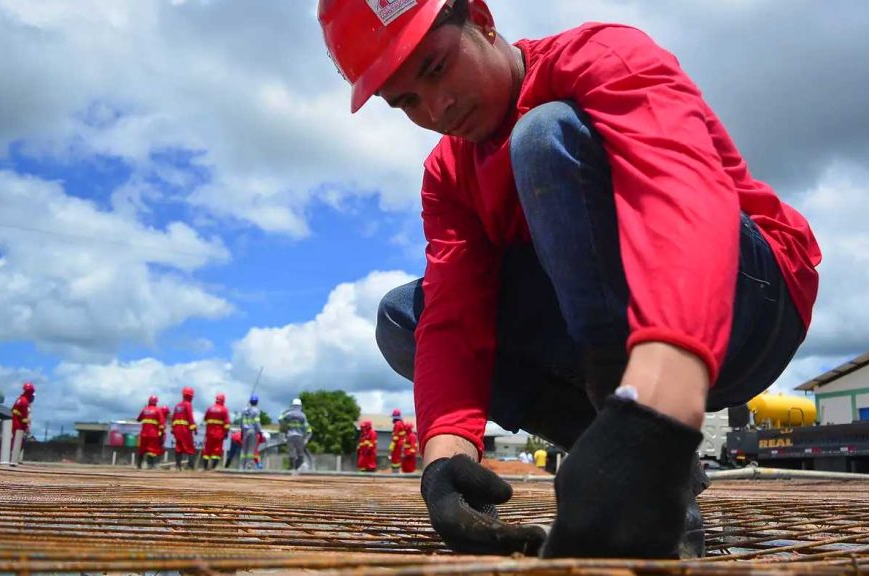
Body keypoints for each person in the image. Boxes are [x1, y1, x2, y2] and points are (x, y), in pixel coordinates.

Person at [320, 0, 821, 559]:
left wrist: (659, 403)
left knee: (543, 136)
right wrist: (445, 458)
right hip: (612, 340)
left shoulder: (598, 56)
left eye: (436, 68)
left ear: (482, 19)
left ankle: (647, 434)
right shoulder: (447, 174)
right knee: (403, 318)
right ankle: (619, 453)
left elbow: (679, 190)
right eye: (407, 101)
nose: (437, 107)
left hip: (750, 301)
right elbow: (453, 319)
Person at [279, 398, 313, 473]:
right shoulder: (302, 415)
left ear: (292, 406)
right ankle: (298, 469)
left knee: (291, 454)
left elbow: (280, 419)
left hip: (290, 436)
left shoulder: (288, 414)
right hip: (299, 437)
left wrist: (284, 425)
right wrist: (306, 439)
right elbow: (308, 428)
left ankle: (292, 469)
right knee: (300, 454)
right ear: (300, 406)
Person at [9, 381, 36, 466]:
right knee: (18, 441)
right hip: (19, 425)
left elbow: (15, 411)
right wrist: (26, 426)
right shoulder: (24, 401)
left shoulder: (21, 400)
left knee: (18, 441)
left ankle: (14, 458)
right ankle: (13, 459)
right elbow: (24, 416)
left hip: (18, 423)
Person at [171, 387, 198, 471]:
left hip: (177, 430)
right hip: (185, 430)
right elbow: (190, 417)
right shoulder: (188, 404)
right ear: (189, 396)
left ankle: (178, 466)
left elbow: (173, 418)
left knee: (178, 447)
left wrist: (173, 429)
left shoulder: (177, 406)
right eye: (192, 396)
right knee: (190, 448)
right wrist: (194, 428)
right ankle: (191, 467)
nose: (192, 398)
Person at [203, 393, 231, 470]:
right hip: (219, 433)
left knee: (207, 450)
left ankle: (205, 467)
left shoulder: (210, 408)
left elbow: (205, 419)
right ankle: (212, 468)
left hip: (209, 433)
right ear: (223, 400)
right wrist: (226, 433)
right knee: (217, 450)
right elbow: (227, 424)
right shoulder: (224, 410)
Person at [136, 395, 164, 469]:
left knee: (142, 449)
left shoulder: (144, 410)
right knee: (151, 450)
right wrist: (161, 433)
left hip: (144, 434)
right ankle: (150, 465)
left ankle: (139, 465)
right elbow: (162, 423)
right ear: (156, 402)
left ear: (149, 401)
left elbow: (138, 419)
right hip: (153, 434)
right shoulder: (158, 410)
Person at [240, 394, 263, 470]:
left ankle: (242, 466)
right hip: (252, 431)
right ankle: (248, 465)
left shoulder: (244, 410)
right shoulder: (256, 411)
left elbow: (241, 422)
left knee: (244, 449)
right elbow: (257, 422)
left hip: (245, 431)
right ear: (257, 402)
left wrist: (241, 430)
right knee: (251, 449)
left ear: (250, 401)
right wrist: (260, 431)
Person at [388, 408, 406, 473]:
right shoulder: (401, 423)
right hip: (400, 443)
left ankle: (395, 472)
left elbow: (395, 437)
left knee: (395, 458)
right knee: (397, 457)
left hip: (397, 444)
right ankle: (397, 470)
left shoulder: (397, 424)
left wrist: (391, 446)